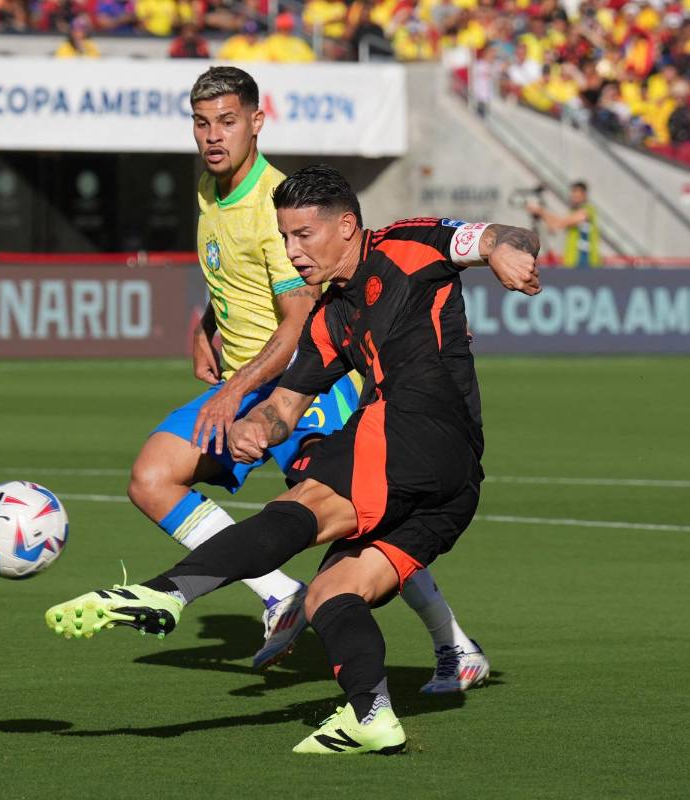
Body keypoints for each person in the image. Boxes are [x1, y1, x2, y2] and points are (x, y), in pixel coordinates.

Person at [45, 164, 542, 754]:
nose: (292, 250)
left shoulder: (407, 244)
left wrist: (507, 252)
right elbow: (286, 405)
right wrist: (254, 427)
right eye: (285, 236)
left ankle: (167, 592)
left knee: (305, 502)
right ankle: (372, 715)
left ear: (347, 226)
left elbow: (501, 235)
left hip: (417, 429)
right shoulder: (329, 319)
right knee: (331, 593)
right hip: (454, 487)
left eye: (304, 234)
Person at [119, 67, 490, 690]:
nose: (213, 136)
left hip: (296, 381)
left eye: (227, 122)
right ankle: (276, 593)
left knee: (353, 516)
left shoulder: (275, 205)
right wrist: (206, 323)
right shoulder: (210, 187)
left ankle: (452, 642)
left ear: (256, 122)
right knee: (152, 478)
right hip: (248, 382)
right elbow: (236, 276)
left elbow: (298, 319)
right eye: (202, 123)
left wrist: (235, 393)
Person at [526, 180, 601, 268]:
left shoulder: (588, 210)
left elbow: (561, 223)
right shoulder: (572, 212)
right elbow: (555, 225)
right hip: (572, 262)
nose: (574, 198)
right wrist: (540, 213)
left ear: (584, 195)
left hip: (586, 262)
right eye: (573, 195)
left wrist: (541, 211)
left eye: (577, 196)